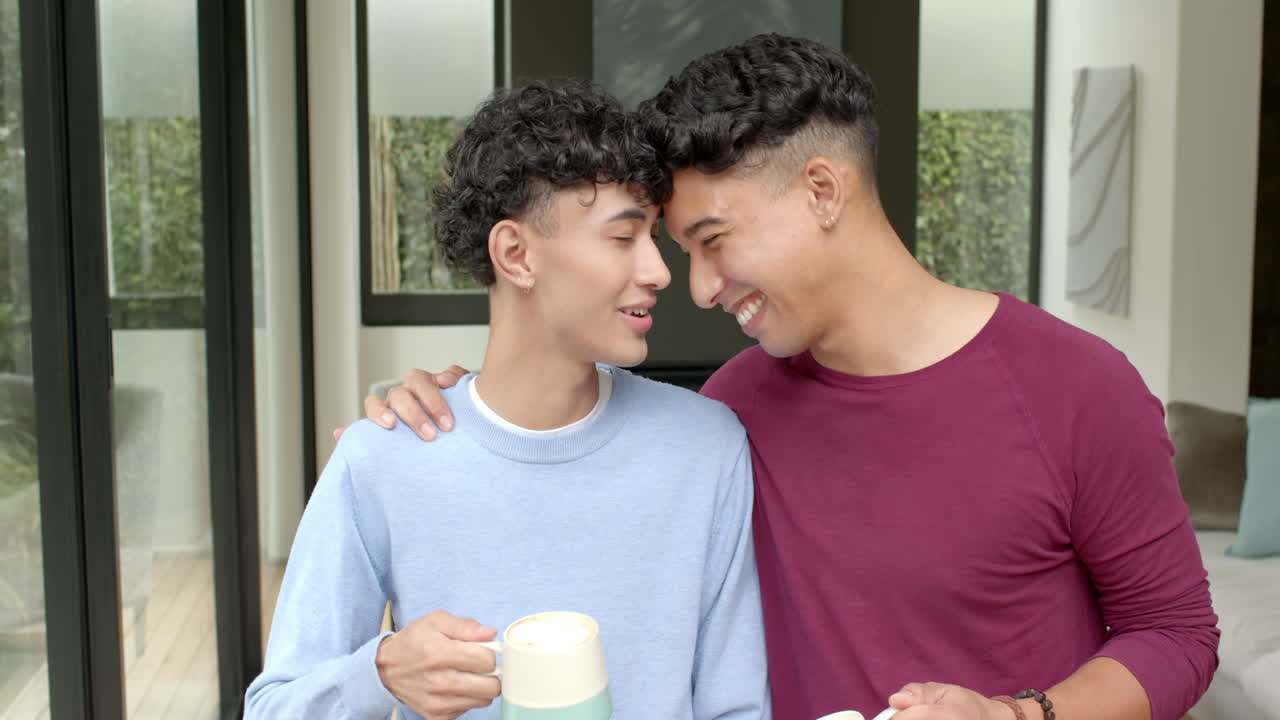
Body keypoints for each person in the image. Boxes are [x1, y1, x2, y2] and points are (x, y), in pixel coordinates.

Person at [359, 34, 1220, 720]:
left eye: (713, 240)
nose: (695, 286)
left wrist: (1015, 716)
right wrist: (457, 412)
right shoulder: (730, 413)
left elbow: (1178, 637)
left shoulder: (1077, 388)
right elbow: (578, 466)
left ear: (821, 191)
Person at [248, 81, 770, 720]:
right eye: (622, 237)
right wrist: (380, 672)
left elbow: (737, 708)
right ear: (516, 255)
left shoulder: (706, 447)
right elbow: (273, 707)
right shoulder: (380, 459)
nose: (659, 272)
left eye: (654, 238)